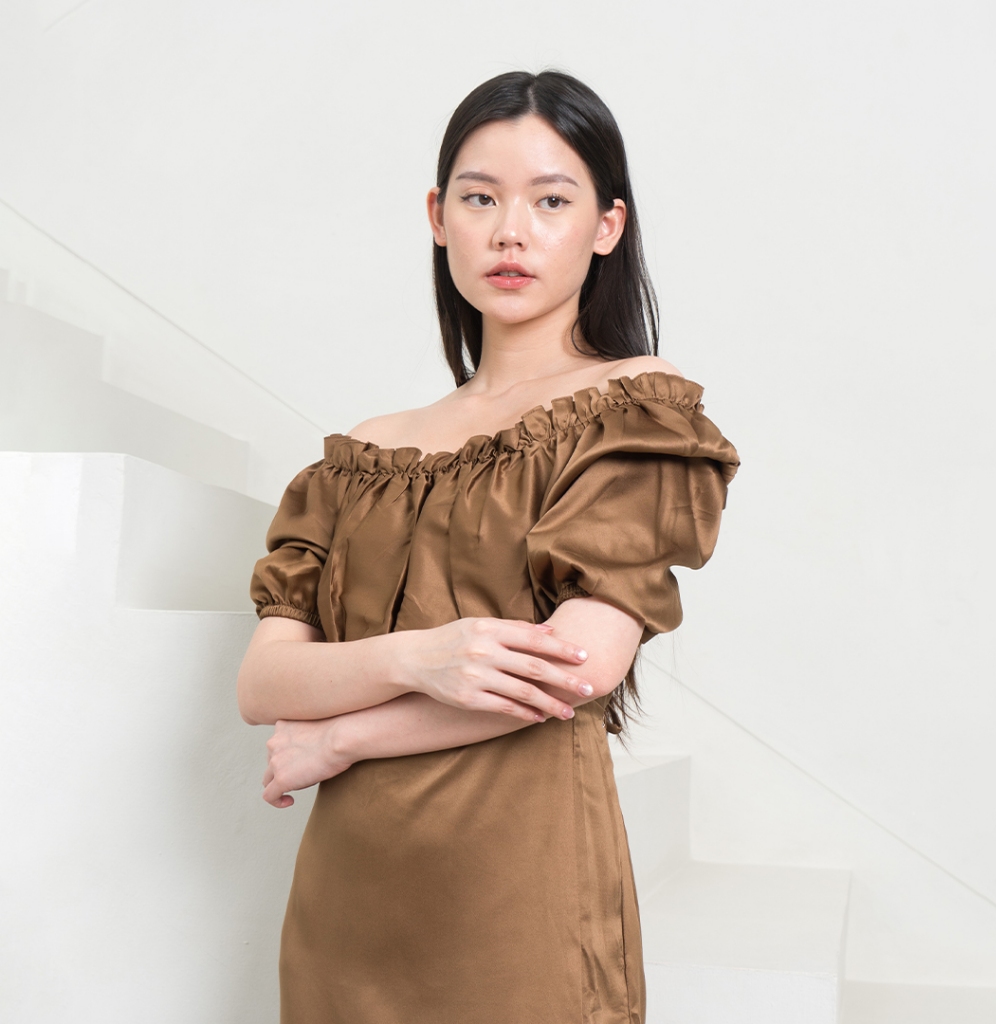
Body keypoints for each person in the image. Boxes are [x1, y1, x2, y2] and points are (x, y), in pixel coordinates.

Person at [237, 69, 739, 1024]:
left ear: (607, 226)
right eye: (480, 198)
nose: (511, 231)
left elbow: (578, 667)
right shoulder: (364, 452)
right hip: (347, 894)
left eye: (551, 201)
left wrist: (343, 734)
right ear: (439, 217)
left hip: (521, 884)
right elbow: (264, 684)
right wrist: (422, 656)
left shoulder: (636, 408)